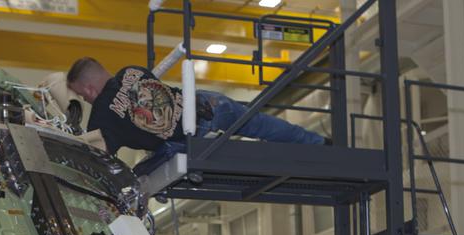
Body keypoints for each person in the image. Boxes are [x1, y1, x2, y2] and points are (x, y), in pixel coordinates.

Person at [66, 57, 324, 176]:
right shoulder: (131, 70)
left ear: (89, 89)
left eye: (82, 96)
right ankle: (317, 144)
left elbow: (95, 157)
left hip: (189, 137)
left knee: (143, 172)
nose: (86, 101)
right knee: (261, 125)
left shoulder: (101, 116)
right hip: (206, 104)